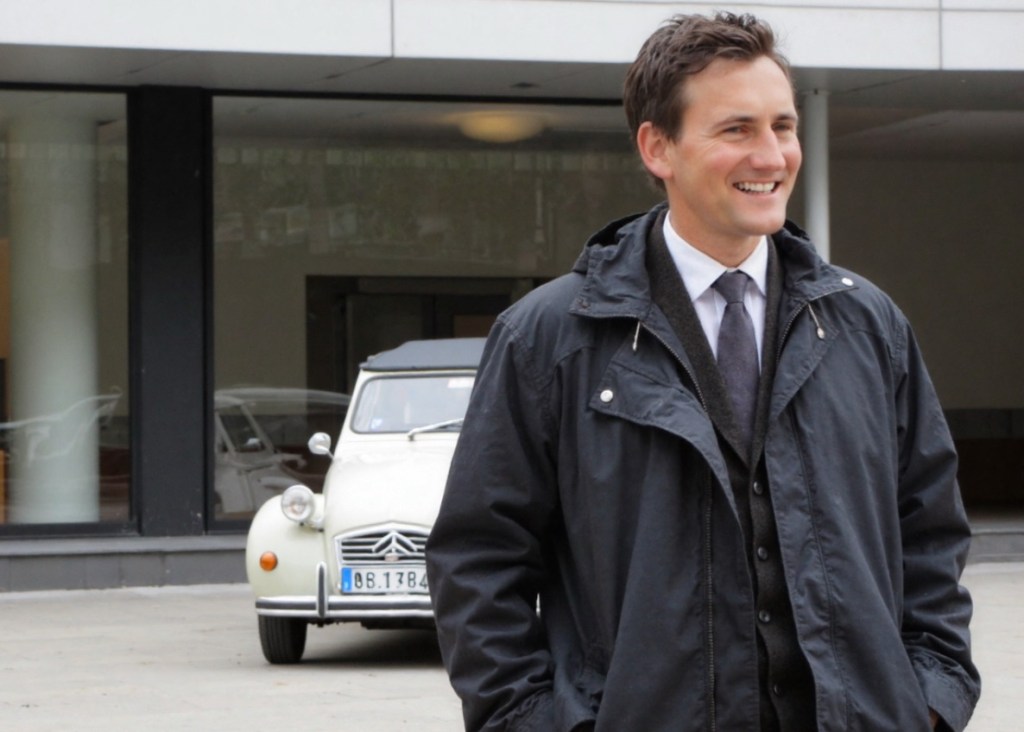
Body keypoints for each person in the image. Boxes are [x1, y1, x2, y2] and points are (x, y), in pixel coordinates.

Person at [425, 11, 980, 732]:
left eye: (783, 127)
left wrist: (929, 703)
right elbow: (479, 561)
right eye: (736, 130)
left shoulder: (867, 325)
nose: (771, 155)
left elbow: (930, 533)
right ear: (659, 147)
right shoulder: (548, 339)